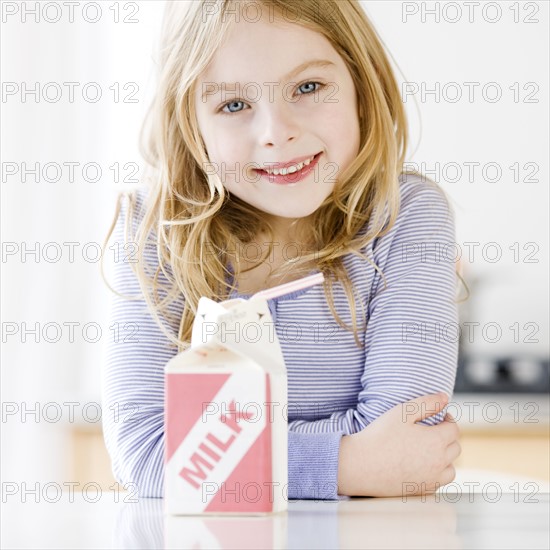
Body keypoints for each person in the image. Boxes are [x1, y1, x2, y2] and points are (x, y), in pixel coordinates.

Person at [101, 0, 465, 501]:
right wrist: (346, 462)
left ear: (363, 85)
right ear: (192, 127)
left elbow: (407, 437)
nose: (276, 133)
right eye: (233, 106)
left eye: (308, 87)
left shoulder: (407, 217)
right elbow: (145, 453)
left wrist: (216, 452)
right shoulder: (154, 228)